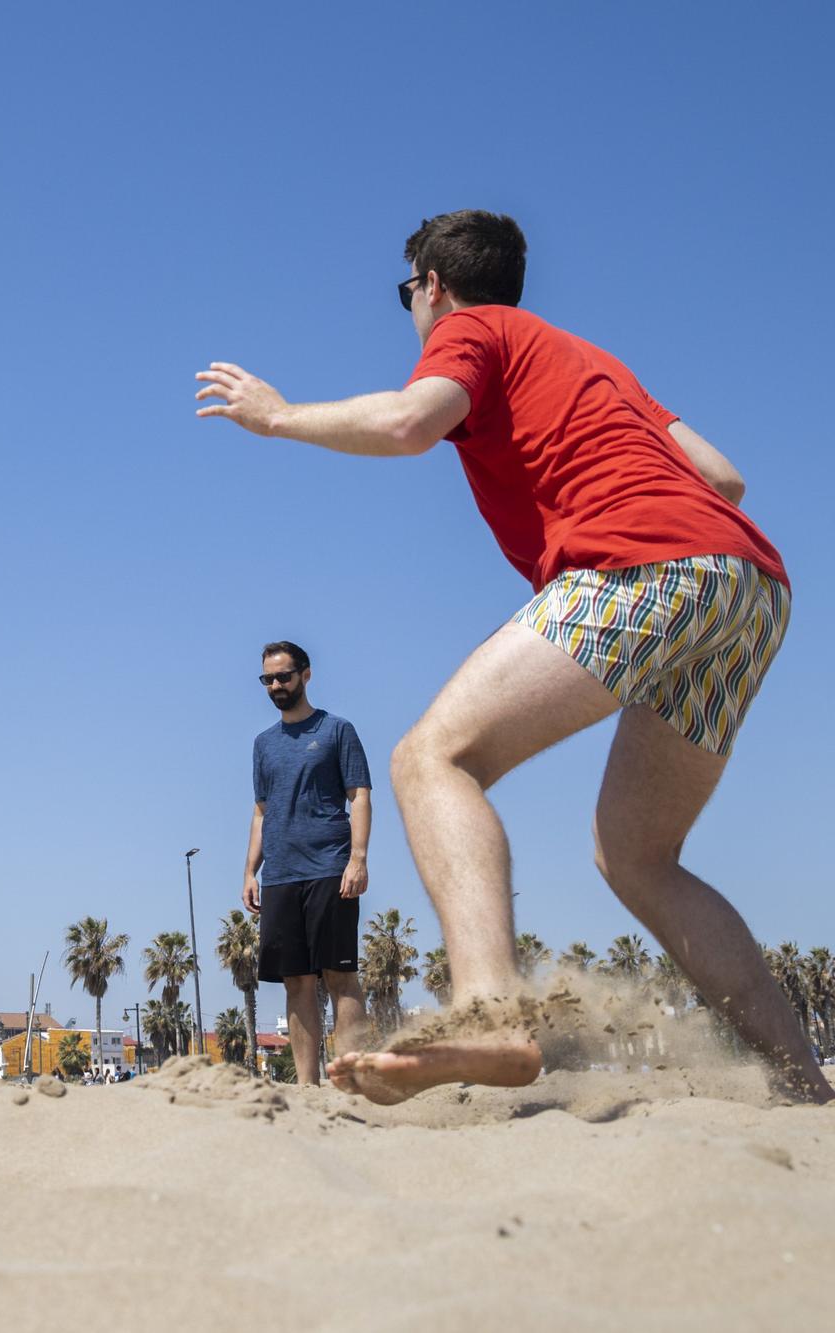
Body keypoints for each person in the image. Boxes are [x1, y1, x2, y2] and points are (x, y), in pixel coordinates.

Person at [196, 209, 829, 1105]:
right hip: (750, 587)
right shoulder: (591, 360)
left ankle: (492, 1012)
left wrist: (280, 415)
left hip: (639, 565)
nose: (412, 307)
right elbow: (723, 478)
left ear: (433, 285)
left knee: (431, 757)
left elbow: (414, 422)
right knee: (638, 856)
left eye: (406, 291)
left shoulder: (470, 328)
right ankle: (803, 1082)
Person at [242, 640, 372, 1086]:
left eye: (284, 676)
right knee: (295, 982)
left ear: (306, 675)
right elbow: (262, 811)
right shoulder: (262, 745)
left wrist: (358, 859)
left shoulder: (337, 730)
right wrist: (249, 871)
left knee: (340, 976)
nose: (276, 685)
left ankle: (354, 1081)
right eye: (268, 679)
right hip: (280, 875)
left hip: (329, 869)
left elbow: (360, 796)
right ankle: (306, 1089)